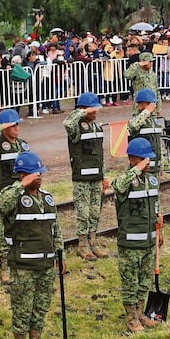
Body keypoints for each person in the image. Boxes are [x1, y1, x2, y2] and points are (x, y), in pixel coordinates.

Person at [0, 151, 63, 339]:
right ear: (22, 174)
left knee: (40, 306)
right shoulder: (13, 196)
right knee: (22, 307)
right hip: (23, 264)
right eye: (34, 174)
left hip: (46, 262)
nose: (39, 177)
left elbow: (55, 228)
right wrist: (22, 184)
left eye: (40, 173)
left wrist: (60, 253)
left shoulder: (47, 198)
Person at [112, 138, 162, 333]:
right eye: (144, 159)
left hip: (149, 241)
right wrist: (136, 168)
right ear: (132, 159)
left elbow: (156, 207)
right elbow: (118, 186)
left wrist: (160, 231)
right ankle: (131, 318)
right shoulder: (125, 181)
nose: (148, 163)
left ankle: (140, 312)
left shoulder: (151, 180)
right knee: (130, 283)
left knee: (144, 281)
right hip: (130, 243)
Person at [0, 109, 30, 284]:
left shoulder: (23, 145)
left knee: (22, 230)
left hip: (21, 196)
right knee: (3, 234)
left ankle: (21, 263)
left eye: (17, 124)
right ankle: (5, 268)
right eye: (12, 125)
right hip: (3, 196)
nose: (17, 128)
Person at [64, 92, 107, 260]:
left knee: (95, 212)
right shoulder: (76, 127)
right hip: (81, 178)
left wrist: (103, 175)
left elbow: (99, 154)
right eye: (93, 108)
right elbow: (67, 122)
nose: (96, 111)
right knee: (83, 213)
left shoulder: (97, 126)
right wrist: (83, 111)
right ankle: (82, 246)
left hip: (96, 176)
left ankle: (93, 242)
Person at [128, 89, 163, 176]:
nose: (153, 105)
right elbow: (133, 126)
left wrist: (161, 165)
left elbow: (159, 144)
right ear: (141, 104)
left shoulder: (155, 122)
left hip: (155, 167)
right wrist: (146, 112)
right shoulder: (136, 120)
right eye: (150, 103)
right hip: (141, 168)